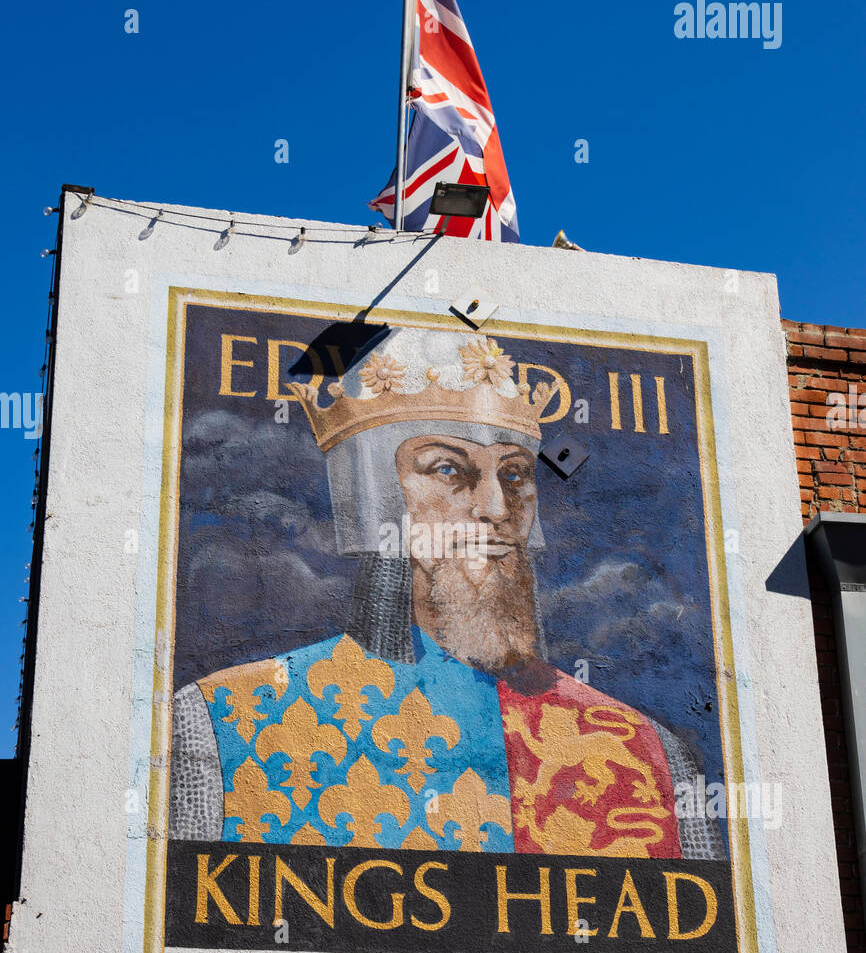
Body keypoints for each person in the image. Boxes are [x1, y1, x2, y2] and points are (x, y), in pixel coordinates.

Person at [169, 328, 723, 859]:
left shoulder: (649, 753)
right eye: (447, 469)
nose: (498, 509)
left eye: (513, 474)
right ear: (382, 502)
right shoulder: (220, 724)